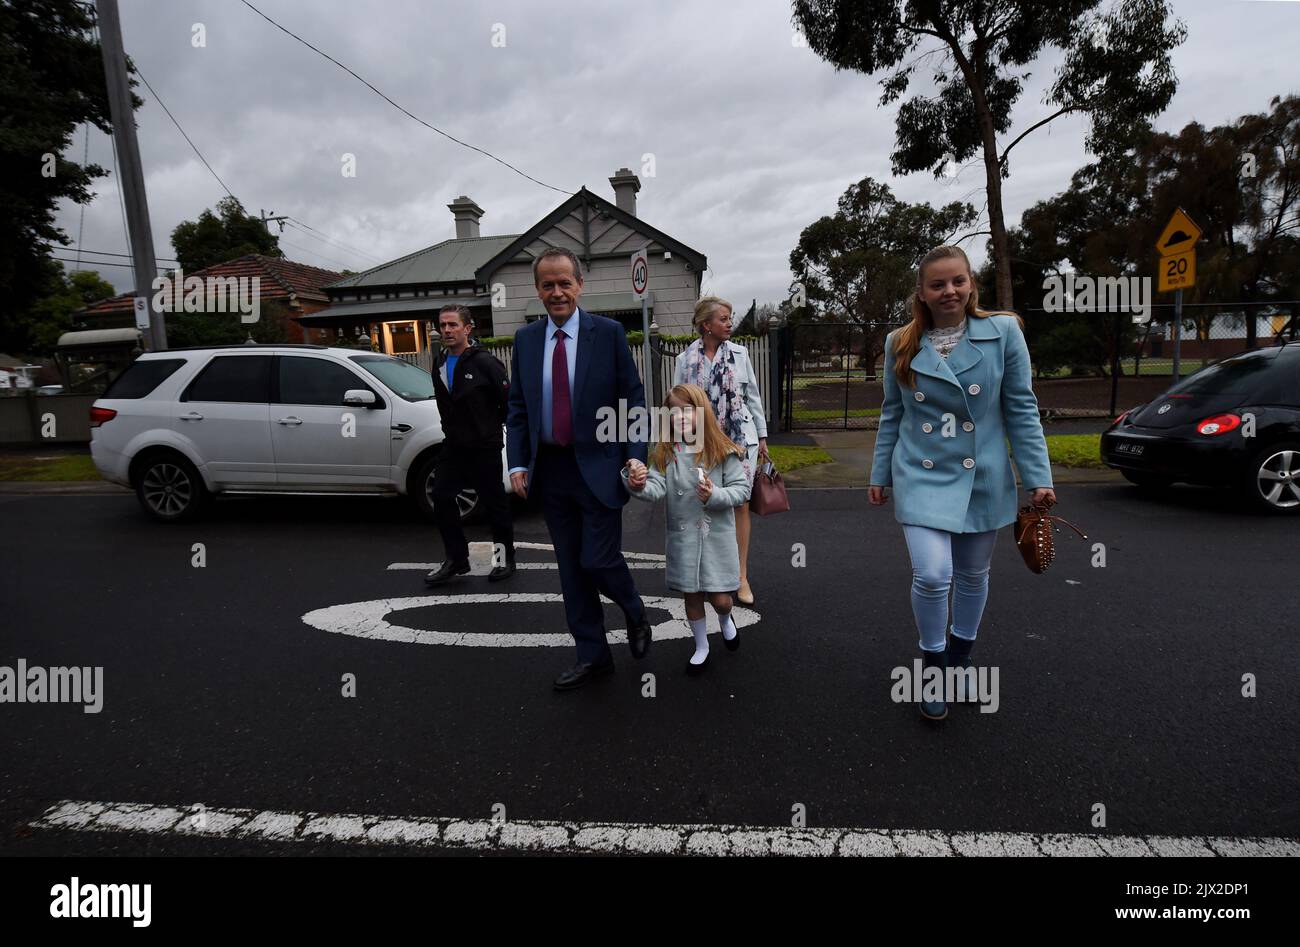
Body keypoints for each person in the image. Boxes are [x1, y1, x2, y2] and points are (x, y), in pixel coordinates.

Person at [868, 245, 1057, 721]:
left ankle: (960, 658)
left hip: (983, 475)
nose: (949, 291)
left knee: (973, 575)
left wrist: (1038, 476)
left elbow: (1021, 407)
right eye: (938, 284)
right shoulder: (900, 343)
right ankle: (933, 666)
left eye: (958, 281)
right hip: (921, 474)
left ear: (971, 284)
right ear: (922, 293)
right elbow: (893, 413)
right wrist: (879, 473)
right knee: (933, 574)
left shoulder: (1004, 332)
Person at [506, 247, 653, 691]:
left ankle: (634, 610)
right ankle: (593, 656)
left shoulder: (607, 334)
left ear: (579, 285)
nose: (556, 292)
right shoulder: (526, 340)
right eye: (547, 284)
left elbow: (634, 400)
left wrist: (636, 455)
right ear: (537, 290)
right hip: (550, 471)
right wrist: (517, 461)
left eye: (564, 283)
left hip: (601, 466)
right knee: (571, 571)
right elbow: (517, 407)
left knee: (598, 559)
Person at [622, 384, 749, 676]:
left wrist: (714, 495)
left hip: (714, 539)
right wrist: (636, 481)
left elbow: (741, 491)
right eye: (673, 412)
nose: (680, 417)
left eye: (687, 410)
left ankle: (726, 620)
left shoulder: (721, 451)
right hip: (684, 541)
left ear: (701, 413)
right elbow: (654, 489)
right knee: (691, 596)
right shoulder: (665, 453)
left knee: (720, 598)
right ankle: (701, 646)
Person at [674, 296, 768, 605]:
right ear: (706, 325)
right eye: (724, 319)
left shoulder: (740, 355)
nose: (729, 323)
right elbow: (677, 403)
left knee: (738, 503)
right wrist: (673, 443)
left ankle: (740, 576)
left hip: (740, 439)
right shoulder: (684, 360)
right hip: (703, 442)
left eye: (730, 318)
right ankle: (708, 572)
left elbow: (752, 397)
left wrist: (763, 436)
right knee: (705, 501)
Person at [424, 304, 516, 585]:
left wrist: (488, 429)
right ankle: (457, 559)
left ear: (467, 328)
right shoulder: (439, 362)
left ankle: (504, 560)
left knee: (494, 504)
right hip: (453, 446)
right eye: (443, 325)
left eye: (453, 325)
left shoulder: (485, 362)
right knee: (441, 497)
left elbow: (507, 402)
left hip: (484, 446)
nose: (447, 330)